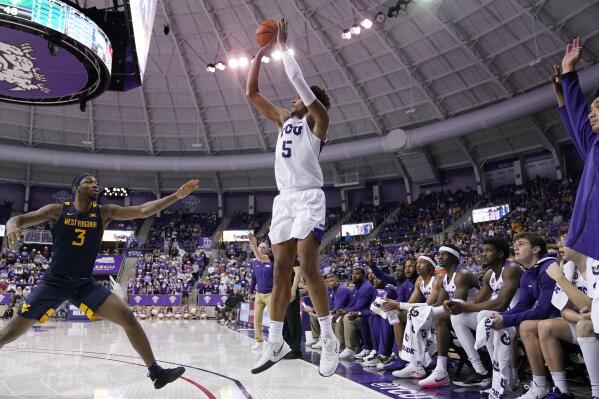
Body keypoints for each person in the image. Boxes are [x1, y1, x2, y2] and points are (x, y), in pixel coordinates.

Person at [0, 173, 199, 389]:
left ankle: (156, 372)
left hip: (84, 284)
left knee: (127, 316)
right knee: (9, 333)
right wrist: (11, 226)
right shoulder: (57, 210)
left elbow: (143, 210)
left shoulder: (104, 213)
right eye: (89, 182)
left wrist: (176, 196)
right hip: (53, 283)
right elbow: (17, 219)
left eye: (96, 183)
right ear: (76, 188)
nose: (95, 185)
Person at [246, 18, 338, 376]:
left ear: (311, 100)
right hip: (283, 199)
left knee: (307, 263)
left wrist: (283, 46)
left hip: (309, 197)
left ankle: (329, 338)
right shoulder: (284, 120)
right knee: (280, 268)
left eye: (299, 97)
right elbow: (252, 93)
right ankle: (275, 340)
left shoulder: (319, 120)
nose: (292, 97)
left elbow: (299, 81)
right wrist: (259, 54)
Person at [488, 233, 559, 399]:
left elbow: (544, 310)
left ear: (535, 249)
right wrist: (501, 316)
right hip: (547, 322)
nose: (515, 248)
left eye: (521, 244)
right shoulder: (528, 272)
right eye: (515, 244)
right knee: (495, 319)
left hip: (562, 319)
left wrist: (505, 319)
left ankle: (539, 384)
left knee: (524, 326)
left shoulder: (548, 267)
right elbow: (523, 305)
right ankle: (502, 379)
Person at [447, 237, 522, 387]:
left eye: (488, 251)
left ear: (500, 254)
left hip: (516, 318)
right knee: (458, 317)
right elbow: (477, 302)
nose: (483, 254)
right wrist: (455, 305)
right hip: (496, 318)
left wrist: (463, 306)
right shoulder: (489, 274)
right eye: (483, 250)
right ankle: (481, 371)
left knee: (484, 315)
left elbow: (501, 304)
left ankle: (506, 377)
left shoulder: (512, 269)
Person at [541, 230, 598, 398]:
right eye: (559, 242)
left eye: (564, 242)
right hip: (588, 323)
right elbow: (564, 311)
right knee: (546, 326)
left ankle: (596, 392)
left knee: (584, 326)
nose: (559, 246)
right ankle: (561, 390)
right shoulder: (567, 268)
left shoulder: (596, 263)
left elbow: (592, 307)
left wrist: (560, 279)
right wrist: (580, 316)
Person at [381, 254, 437, 373]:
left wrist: (398, 304)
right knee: (397, 314)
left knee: (408, 314)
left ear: (430, 266)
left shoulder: (436, 280)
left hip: (436, 314)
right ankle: (402, 356)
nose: (418, 265)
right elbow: (410, 303)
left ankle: (414, 362)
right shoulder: (419, 281)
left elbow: (428, 306)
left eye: (421, 263)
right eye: (417, 263)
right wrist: (395, 305)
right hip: (426, 313)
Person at [333, 267, 376, 360]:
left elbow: (360, 306)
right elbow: (351, 304)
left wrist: (346, 311)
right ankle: (341, 346)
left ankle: (351, 348)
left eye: (357, 274)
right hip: (359, 314)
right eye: (353, 273)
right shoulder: (356, 288)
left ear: (363, 275)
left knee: (347, 317)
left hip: (366, 315)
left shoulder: (366, 287)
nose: (354, 276)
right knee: (340, 317)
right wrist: (342, 310)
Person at [307, 274, 351, 350]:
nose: (330, 283)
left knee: (326, 317)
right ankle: (317, 338)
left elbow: (338, 306)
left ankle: (338, 345)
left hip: (343, 311)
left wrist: (327, 312)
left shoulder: (341, 289)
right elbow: (329, 305)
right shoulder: (333, 290)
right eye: (328, 282)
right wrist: (316, 310)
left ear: (337, 280)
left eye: (332, 281)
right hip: (336, 311)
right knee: (313, 315)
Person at [247, 232, 274, 351]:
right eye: (260, 247)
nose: (262, 249)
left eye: (264, 247)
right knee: (257, 318)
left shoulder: (272, 261)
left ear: (268, 250)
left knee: (273, 319)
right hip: (259, 294)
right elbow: (253, 278)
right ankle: (259, 341)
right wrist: (250, 291)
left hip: (271, 294)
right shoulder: (254, 262)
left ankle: (273, 341)